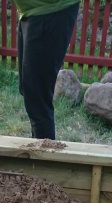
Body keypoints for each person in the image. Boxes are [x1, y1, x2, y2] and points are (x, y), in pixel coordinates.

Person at [13, 0, 80, 140]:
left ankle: (44, 157)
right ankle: (39, 148)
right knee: (29, 90)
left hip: (50, 11)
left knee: (37, 97)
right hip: (31, 12)